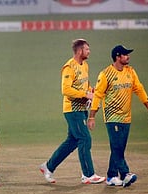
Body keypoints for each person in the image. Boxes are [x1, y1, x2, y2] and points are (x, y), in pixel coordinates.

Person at [87, 45, 148, 188]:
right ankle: (125, 174)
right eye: (125, 55)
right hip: (112, 117)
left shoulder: (130, 72)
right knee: (117, 147)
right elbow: (98, 95)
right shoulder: (106, 74)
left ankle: (112, 176)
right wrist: (92, 116)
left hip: (126, 117)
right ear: (118, 57)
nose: (128, 57)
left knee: (118, 148)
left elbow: (139, 89)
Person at [39, 39, 105, 184]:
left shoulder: (85, 65)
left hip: (81, 109)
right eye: (87, 49)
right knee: (85, 138)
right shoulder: (69, 67)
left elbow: (85, 85)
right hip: (72, 110)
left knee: (73, 141)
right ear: (80, 51)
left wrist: (91, 93)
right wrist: (85, 95)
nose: (89, 51)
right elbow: (66, 89)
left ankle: (48, 167)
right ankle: (88, 174)